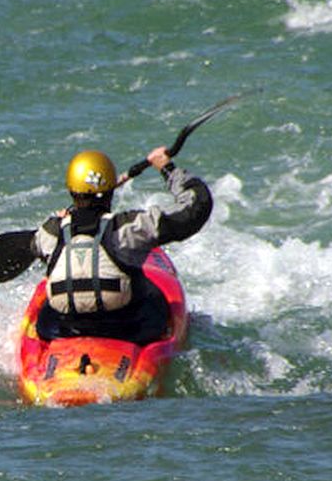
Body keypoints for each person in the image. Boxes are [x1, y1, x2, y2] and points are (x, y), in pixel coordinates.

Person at [32, 146, 212, 343]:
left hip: (63, 330)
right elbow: (196, 207)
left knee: (47, 304)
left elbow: (13, 255)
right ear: (110, 191)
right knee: (155, 292)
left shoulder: (49, 233)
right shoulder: (129, 228)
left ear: (71, 190)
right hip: (129, 330)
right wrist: (167, 168)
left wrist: (59, 223)